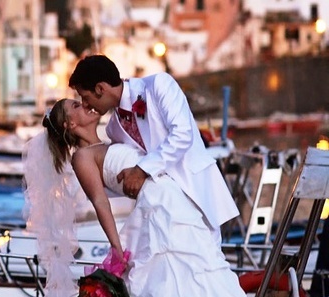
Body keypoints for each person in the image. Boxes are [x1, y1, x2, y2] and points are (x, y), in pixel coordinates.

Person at [23, 98, 284, 297]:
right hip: (154, 218)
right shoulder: (83, 157)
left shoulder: (114, 139)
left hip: (168, 209)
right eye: (76, 106)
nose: (86, 105)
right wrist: (117, 249)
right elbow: (100, 203)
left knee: (194, 287)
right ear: (69, 125)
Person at [68, 54, 239, 245]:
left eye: (85, 97)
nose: (85, 104)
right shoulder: (113, 128)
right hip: (164, 207)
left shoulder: (159, 85)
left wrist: (142, 170)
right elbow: (127, 169)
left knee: (206, 259)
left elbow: (182, 134)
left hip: (196, 191)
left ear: (100, 88)